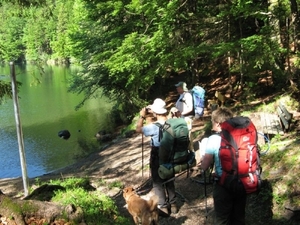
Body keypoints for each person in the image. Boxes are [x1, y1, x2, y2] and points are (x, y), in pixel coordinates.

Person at [201, 107, 247, 225]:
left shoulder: (214, 139)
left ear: (217, 123)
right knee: (239, 217)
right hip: (242, 181)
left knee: (222, 218)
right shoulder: (241, 135)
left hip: (223, 184)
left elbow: (205, 165)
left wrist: (203, 164)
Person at [136, 98, 177, 216]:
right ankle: (173, 204)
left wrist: (142, 117)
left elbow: (138, 129)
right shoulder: (171, 122)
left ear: (155, 112)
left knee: (157, 181)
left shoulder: (153, 127)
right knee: (169, 178)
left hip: (157, 155)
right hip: (170, 154)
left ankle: (163, 207)